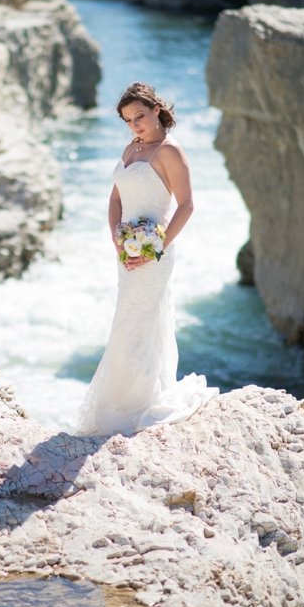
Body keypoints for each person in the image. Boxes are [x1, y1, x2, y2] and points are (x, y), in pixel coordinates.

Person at [77, 82, 217, 436]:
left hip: (154, 254)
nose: (135, 124)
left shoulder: (170, 152)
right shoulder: (131, 148)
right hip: (127, 252)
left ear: (157, 110)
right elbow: (115, 198)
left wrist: (156, 248)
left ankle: (138, 404)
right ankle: (119, 403)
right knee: (126, 322)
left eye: (140, 115)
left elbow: (186, 205)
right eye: (127, 119)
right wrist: (115, 238)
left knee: (139, 322)